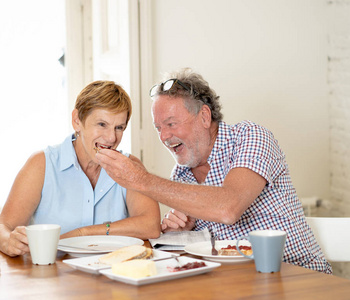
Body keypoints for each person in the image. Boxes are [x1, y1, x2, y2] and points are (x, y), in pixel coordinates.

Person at [95, 68, 332, 274]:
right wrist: (180, 232)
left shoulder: (251, 137)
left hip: (297, 276)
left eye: (171, 123)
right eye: (159, 128)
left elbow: (228, 208)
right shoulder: (181, 174)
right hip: (238, 283)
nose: (164, 136)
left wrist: (142, 180)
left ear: (205, 116)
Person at [0, 80, 161, 257]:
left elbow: (150, 225)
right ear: (77, 121)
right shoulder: (42, 164)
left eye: (119, 127)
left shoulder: (130, 167)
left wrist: (82, 233)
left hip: (112, 276)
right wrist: (9, 241)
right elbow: (1, 228)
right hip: (54, 277)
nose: (111, 138)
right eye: (102, 124)